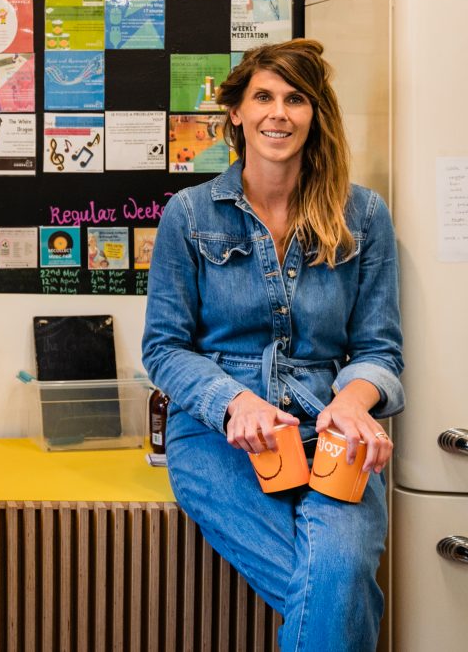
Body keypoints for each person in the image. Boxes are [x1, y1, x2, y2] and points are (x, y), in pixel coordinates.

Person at [141, 39, 403, 652]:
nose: (277, 113)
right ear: (235, 111)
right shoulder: (189, 213)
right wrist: (237, 402)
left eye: (295, 98)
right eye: (262, 97)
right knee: (340, 592)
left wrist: (354, 403)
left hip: (335, 429)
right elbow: (163, 348)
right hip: (216, 435)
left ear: (316, 114)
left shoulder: (362, 214)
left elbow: (380, 350)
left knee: (337, 579)